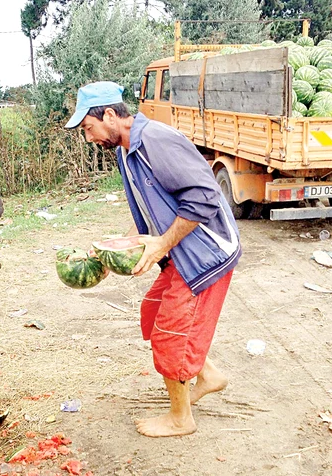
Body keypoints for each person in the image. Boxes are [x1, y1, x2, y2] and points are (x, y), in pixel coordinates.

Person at [65, 81, 241, 437]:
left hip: (205, 253)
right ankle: (208, 375)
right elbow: (148, 207)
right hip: (181, 251)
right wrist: (115, 250)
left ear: (110, 115)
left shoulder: (156, 141)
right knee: (153, 312)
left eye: (88, 129)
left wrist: (161, 245)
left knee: (170, 335)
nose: (89, 138)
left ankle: (181, 419)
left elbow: (205, 199)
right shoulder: (124, 150)